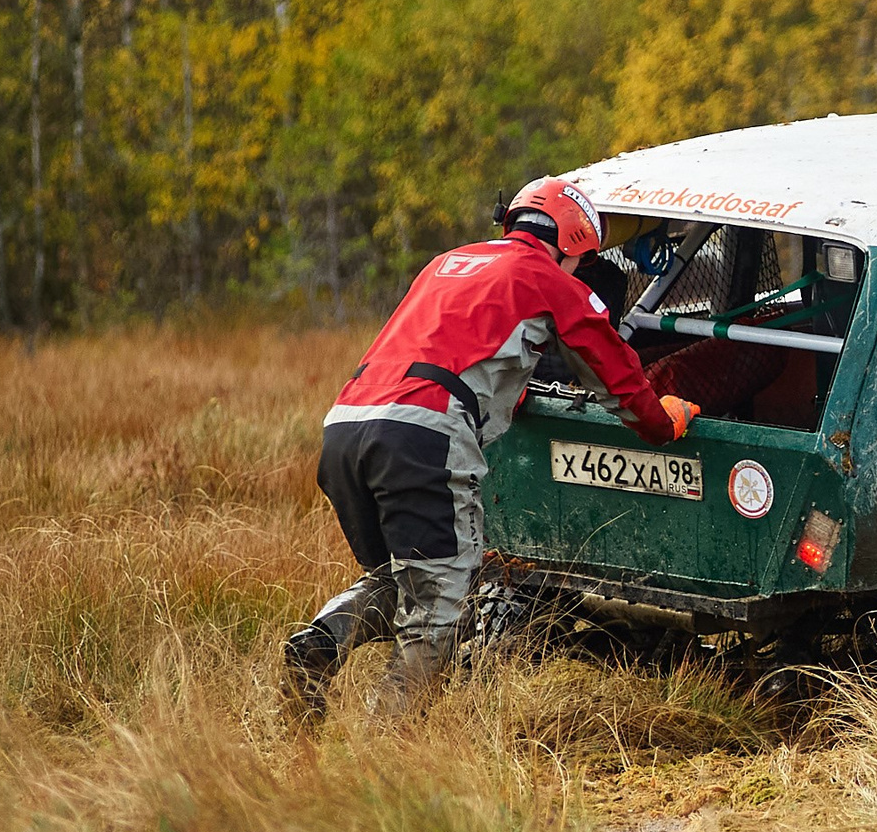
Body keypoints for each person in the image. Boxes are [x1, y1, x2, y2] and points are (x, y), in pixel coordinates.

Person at [283, 177, 700, 719]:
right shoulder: (546, 277)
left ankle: (321, 640)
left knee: (406, 576)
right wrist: (661, 424)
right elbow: (614, 371)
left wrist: (509, 389)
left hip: (345, 427)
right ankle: (384, 746)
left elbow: (454, 345)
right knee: (440, 609)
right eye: (585, 259)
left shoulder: (448, 262)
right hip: (425, 437)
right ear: (573, 242)